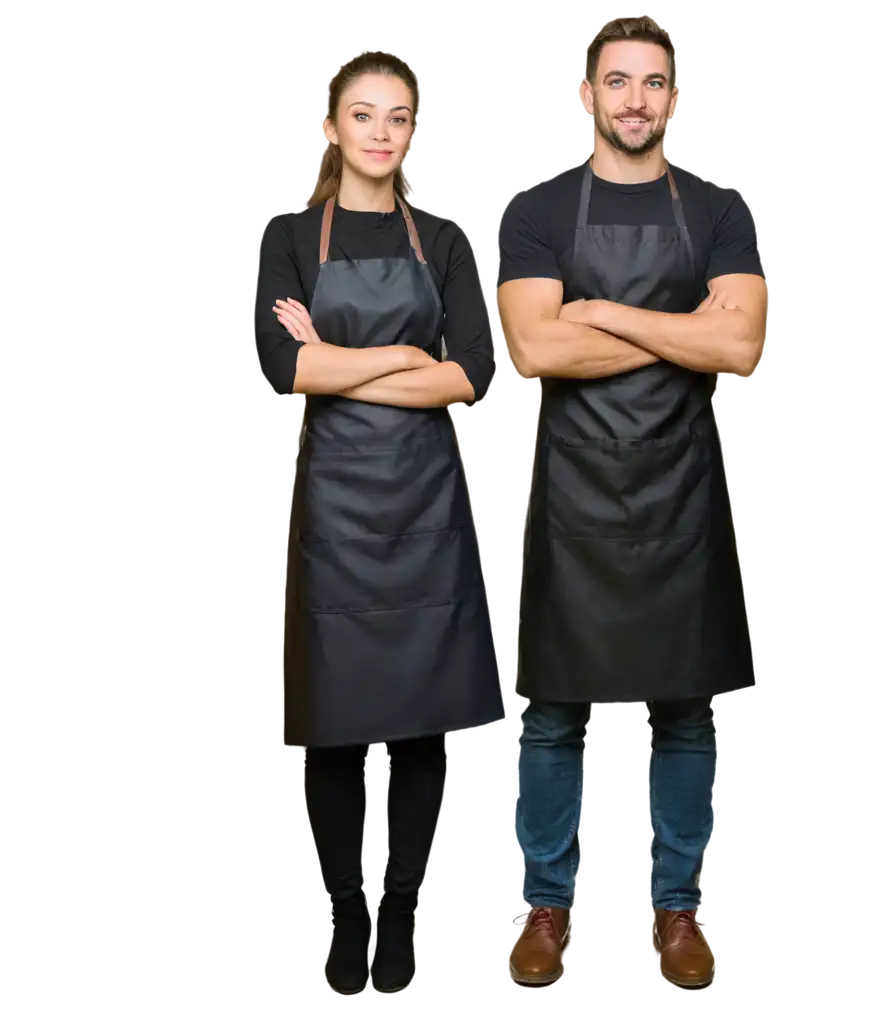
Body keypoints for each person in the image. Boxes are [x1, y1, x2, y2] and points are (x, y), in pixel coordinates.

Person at [495, 16, 769, 988]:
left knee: (685, 713)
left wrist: (602, 310)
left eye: (652, 83)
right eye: (617, 81)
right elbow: (533, 350)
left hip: (681, 493)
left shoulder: (720, 207)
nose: (635, 99)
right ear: (586, 95)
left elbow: (740, 348)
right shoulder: (535, 210)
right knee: (548, 716)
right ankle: (543, 903)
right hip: (576, 498)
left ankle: (679, 910)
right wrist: (681, 328)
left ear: (674, 101)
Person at [247, 49, 498, 996]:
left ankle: (400, 923)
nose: (381, 133)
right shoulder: (286, 233)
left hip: (427, 511)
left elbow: (475, 373)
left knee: (422, 727)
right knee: (340, 727)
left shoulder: (443, 233)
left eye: (398, 117)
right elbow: (289, 371)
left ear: (411, 131)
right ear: (330, 129)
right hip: (338, 516)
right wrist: (407, 359)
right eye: (363, 115)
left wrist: (350, 351)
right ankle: (348, 916)